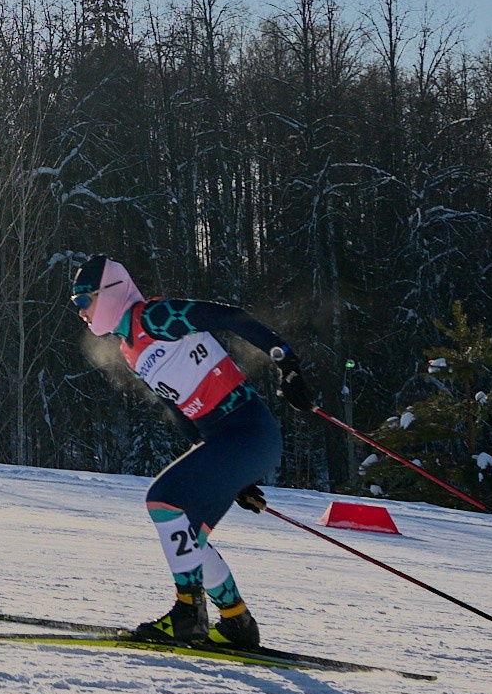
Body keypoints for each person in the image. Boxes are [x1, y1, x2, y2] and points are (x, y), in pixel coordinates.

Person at [69, 255, 314, 649]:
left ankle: (188, 614)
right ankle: (236, 621)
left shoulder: (155, 317)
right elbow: (179, 409)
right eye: (76, 303)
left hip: (247, 430)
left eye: (85, 300)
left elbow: (231, 317)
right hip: (227, 442)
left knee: (162, 500)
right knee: (186, 534)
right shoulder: (130, 348)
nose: (80, 311)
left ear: (110, 293)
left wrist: (284, 359)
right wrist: (224, 473)